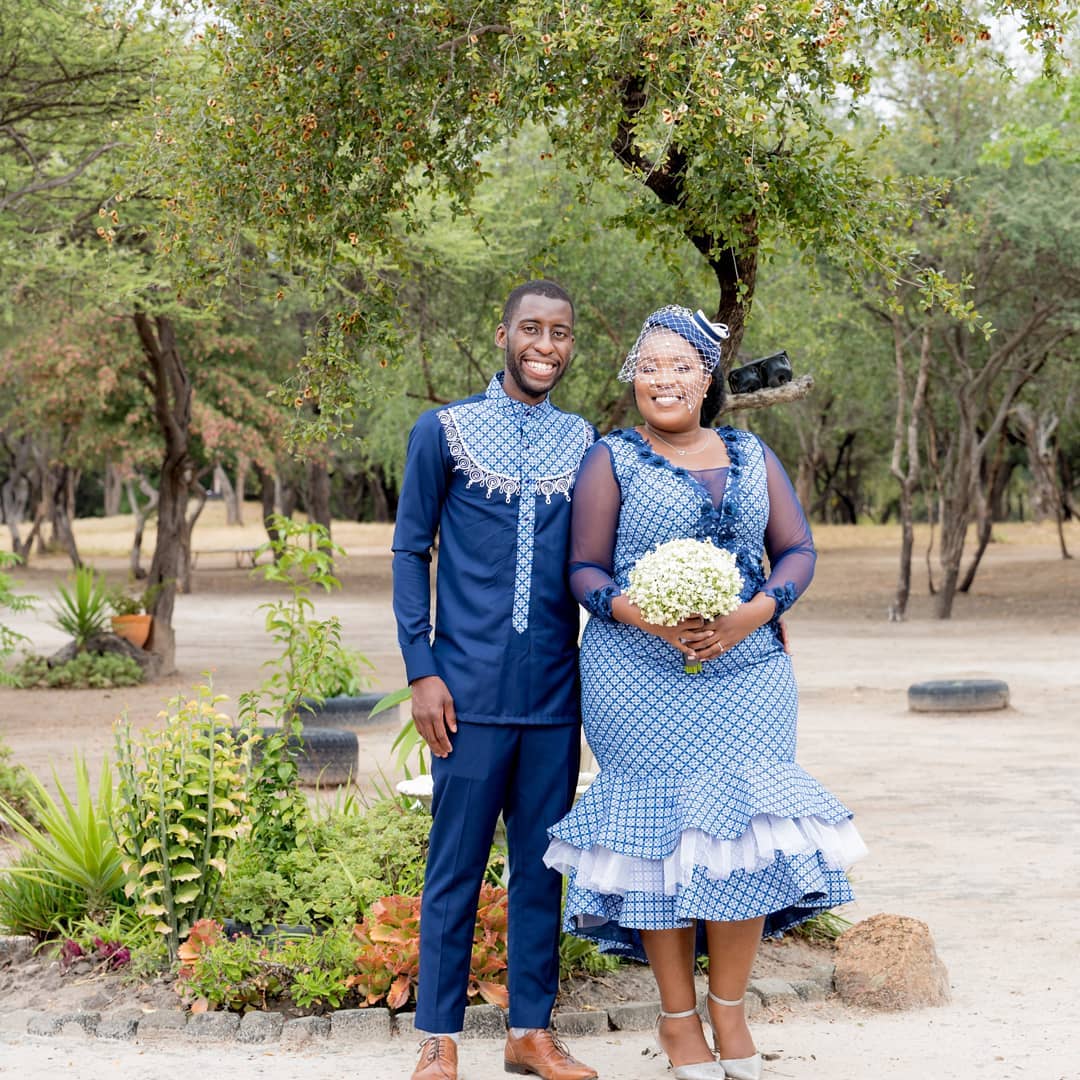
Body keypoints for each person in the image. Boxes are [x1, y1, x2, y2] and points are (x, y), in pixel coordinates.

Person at [544, 306, 867, 1080]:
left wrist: (753, 614)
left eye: (680, 365)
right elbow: (584, 570)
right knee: (659, 836)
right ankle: (678, 1018)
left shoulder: (755, 455)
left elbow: (796, 550)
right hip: (639, 672)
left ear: (707, 378)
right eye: (649, 366)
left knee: (744, 834)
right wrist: (652, 619)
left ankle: (730, 1008)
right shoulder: (610, 459)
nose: (664, 379)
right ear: (634, 379)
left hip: (750, 670)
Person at [392, 280, 599, 1080]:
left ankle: (529, 1034)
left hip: (553, 693)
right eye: (533, 329)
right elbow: (411, 551)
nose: (547, 345)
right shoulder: (441, 432)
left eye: (562, 332)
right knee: (455, 866)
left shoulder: (584, 442)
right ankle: (438, 1039)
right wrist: (422, 671)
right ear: (503, 333)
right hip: (465, 694)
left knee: (543, 867)